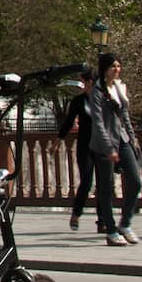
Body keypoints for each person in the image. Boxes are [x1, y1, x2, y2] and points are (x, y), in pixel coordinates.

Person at [89, 52, 142, 246]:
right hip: (104, 144)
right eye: (113, 66)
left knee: (136, 181)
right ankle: (110, 229)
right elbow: (98, 122)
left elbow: (124, 115)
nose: (117, 69)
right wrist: (109, 147)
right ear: (105, 69)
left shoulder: (118, 88)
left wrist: (132, 138)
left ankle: (125, 223)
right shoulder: (97, 91)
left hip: (123, 140)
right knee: (106, 187)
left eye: (119, 66)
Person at [59, 66, 95, 230]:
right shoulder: (79, 101)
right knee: (86, 181)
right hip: (85, 146)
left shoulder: (103, 100)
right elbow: (69, 121)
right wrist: (59, 138)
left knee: (104, 183)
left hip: (101, 145)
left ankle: (102, 220)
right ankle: (76, 213)